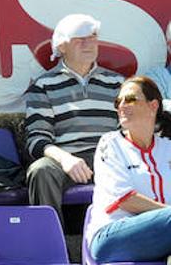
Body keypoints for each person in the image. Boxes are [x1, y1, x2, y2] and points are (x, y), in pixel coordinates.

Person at [24, 13, 125, 226]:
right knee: (40, 170)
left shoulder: (117, 82)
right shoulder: (43, 85)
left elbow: (128, 130)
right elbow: (36, 139)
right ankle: (51, 245)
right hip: (65, 160)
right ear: (61, 47)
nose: (88, 43)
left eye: (93, 36)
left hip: (110, 158)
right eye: (79, 39)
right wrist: (66, 159)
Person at [85, 76, 171, 265]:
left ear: (153, 106)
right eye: (118, 102)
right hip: (111, 237)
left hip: (161, 236)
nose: (122, 105)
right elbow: (126, 200)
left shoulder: (167, 147)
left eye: (130, 99)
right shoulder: (110, 143)